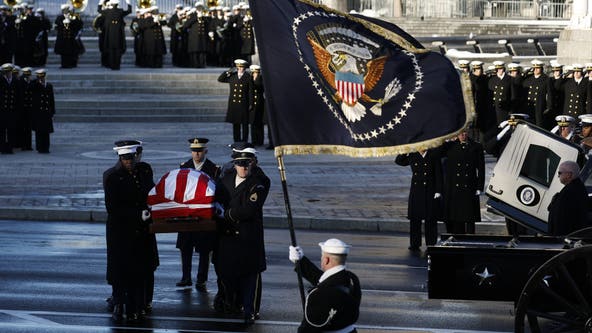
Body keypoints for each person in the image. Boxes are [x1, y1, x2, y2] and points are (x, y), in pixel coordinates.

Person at [103, 141, 158, 322]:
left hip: (141, 230)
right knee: (121, 269)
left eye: (131, 158)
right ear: (120, 158)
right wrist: (137, 214)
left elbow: (151, 192)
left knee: (140, 269)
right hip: (121, 231)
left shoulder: (144, 171)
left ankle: (137, 305)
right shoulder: (112, 176)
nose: (129, 161)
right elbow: (113, 208)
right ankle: (119, 303)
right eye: (125, 158)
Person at [215, 145, 269, 324]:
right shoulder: (225, 179)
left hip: (248, 237)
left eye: (247, 163)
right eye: (239, 163)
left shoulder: (258, 182)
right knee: (228, 274)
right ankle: (232, 303)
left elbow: (248, 210)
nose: (243, 167)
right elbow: (217, 199)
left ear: (252, 164)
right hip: (228, 236)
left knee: (250, 276)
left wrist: (226, 213)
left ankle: (250, 310)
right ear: (234, 164)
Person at [176, 137, 221, 292]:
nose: (196, 154)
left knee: (204, 249)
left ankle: (201, 279)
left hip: (203, 215)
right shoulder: (184, 166)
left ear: (205, 151)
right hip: (187, 215)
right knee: (185, 247)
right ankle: (185, 276)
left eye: (199, 151)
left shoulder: (213, 169)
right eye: (194, 151)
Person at [288, 238, 361, 333]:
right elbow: (326, 281)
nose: (321, 259)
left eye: (322, 256)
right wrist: (301, 261)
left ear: (326, 260)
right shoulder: (351, 279)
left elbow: (308, 329)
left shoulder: (319, 295)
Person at [394, 148, 443, 251]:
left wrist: (438, 190)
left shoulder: (433, 154)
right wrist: (404, 150)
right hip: (417, 190)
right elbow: (399, 161)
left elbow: (438, 173)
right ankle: (415, 243)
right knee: (415, 218)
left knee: (430, 219)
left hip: (430, 190)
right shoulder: (413, 154)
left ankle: (431, 243)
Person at [441, 130, 485, 234]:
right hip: (454, 187)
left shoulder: (476, 146)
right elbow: (437, 152)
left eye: (465, 133)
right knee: (457, 217)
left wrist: (479, 187)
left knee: (470, 217)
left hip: (470, 186)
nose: (463, 135)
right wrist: (446, 139)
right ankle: (458, 237)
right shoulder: (450, 146)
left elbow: (481, 168)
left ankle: (470, 239)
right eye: (460, 133)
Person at [547, 161, 589, 236]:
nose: (558, 176)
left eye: (560, 173)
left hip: (563, 238)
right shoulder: (577, 188)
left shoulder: (569, 192)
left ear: (569, 175)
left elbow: (561, 219)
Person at [218, 59, 252, 142]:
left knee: (244, 124)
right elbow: (220, 79)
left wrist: (250, 103)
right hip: (234, 104)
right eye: (239, 67)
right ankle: (236, 140)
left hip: (243, 103)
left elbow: (250, 91)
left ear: (245, 68)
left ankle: (244, 140)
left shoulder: (248, 77)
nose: (240, 69)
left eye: (242, 67)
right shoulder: (232, 76)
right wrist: (227, 72)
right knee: (235, 124)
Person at [99, 0, 132, 70]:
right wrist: (128, 3)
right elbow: (129, 11)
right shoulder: (120, 11)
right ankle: (117, 65)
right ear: (117, 4)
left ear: (111, 4)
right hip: (118, 34)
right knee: (118, 51)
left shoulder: (107, 11)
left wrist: (100, 2)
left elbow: (99, 10)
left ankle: (112, 65)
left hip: (110, 34)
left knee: (111, 50)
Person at [30, 69, 54, 153]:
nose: (42, 79)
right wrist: (37, 81)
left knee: (46, 131)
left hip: (46, 112)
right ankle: (40, 147)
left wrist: (52, 111)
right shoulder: (35, 85)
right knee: (39, 131)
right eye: (40, 77)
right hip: (38, 113)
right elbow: (31, 88)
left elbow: (51, 99)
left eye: (43, 77)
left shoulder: (49, 85)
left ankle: (46, 147)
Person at [0, 63, 21, 154]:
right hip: (2, 110)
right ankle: (2, 147)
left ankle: (10, 147)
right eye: (6, 72)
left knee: (11, 130)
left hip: (12, 110)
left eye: (9, 72)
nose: (8, 74)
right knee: (2, 130)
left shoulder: (15, 81)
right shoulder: (0, 80)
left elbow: (18, 96)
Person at [488, 61, 513, 125]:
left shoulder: (509, 79)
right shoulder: (492, 80)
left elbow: (513, 95)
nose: (499, 71)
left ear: (504, 69)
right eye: (498, 69)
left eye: (501, 69)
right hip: (494, 108)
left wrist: (511, 110)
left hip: (505, 108)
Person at [249, 64, 265, 146]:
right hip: (252, 104)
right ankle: (254, 140)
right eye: (254, 73)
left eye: (257, 73)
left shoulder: (261, 79)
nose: (256, 74)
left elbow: (259, 88)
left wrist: (255, 80)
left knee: (259, 124)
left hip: (260, 103)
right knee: (253, 123)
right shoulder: (250, 79)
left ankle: (260, 141)